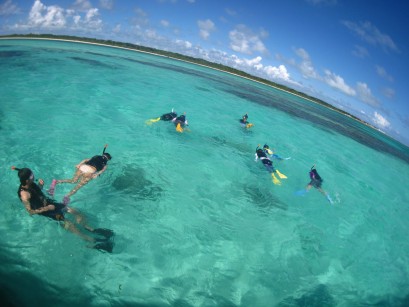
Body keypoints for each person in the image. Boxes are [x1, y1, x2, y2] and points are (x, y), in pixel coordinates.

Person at [12, 166, 114, 252]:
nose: (34, 176)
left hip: (49, 203)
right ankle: (92, 241)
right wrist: (46, 208)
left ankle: (91, 229)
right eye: (31, 176)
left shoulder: (30, 183)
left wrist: (40, 186)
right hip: (46, 211)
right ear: (26, 180)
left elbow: (37, 194)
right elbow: (30, 211)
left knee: (75, 211)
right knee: (69, 224)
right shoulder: (24, 194)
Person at [48, 145, 112, 205]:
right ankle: (66, 197)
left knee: (73, 180)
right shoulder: (105, 164)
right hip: (90, 172)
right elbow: (103, 170)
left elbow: (86, 160)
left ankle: (56, 181)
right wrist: (97, 174)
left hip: (83, 167)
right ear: (108, 159)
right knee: (78, 186)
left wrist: (79, 164)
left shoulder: (96, 156)